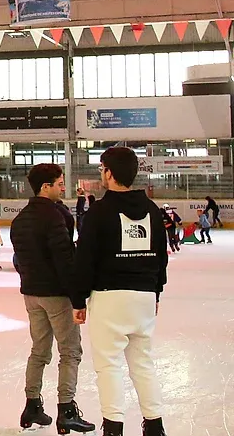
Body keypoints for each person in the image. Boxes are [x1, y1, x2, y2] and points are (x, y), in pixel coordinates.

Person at [72, 147, 169, 436]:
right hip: (143, 297)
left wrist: (78, 300)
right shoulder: (152, 210)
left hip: (109, 297)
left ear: (110, 173)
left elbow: (85, 259)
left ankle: (113, 428)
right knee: (143, 364)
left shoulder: (100, 212)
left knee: (109, 366)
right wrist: (156, 293)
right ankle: (155, 426)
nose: (101, 173)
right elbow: (161, 257)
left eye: (102, 168)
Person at [9, 162, 93, 434]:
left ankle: (32, 405)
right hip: (56, 295)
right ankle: (66, 410)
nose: (63, 188)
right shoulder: (55, 217)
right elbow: (65, 261)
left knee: (39, 351)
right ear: (45, 187)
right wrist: (78, 298)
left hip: (31, 295)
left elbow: (19, 260)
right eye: (59, 184)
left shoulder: (20, 219)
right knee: (70, 352)